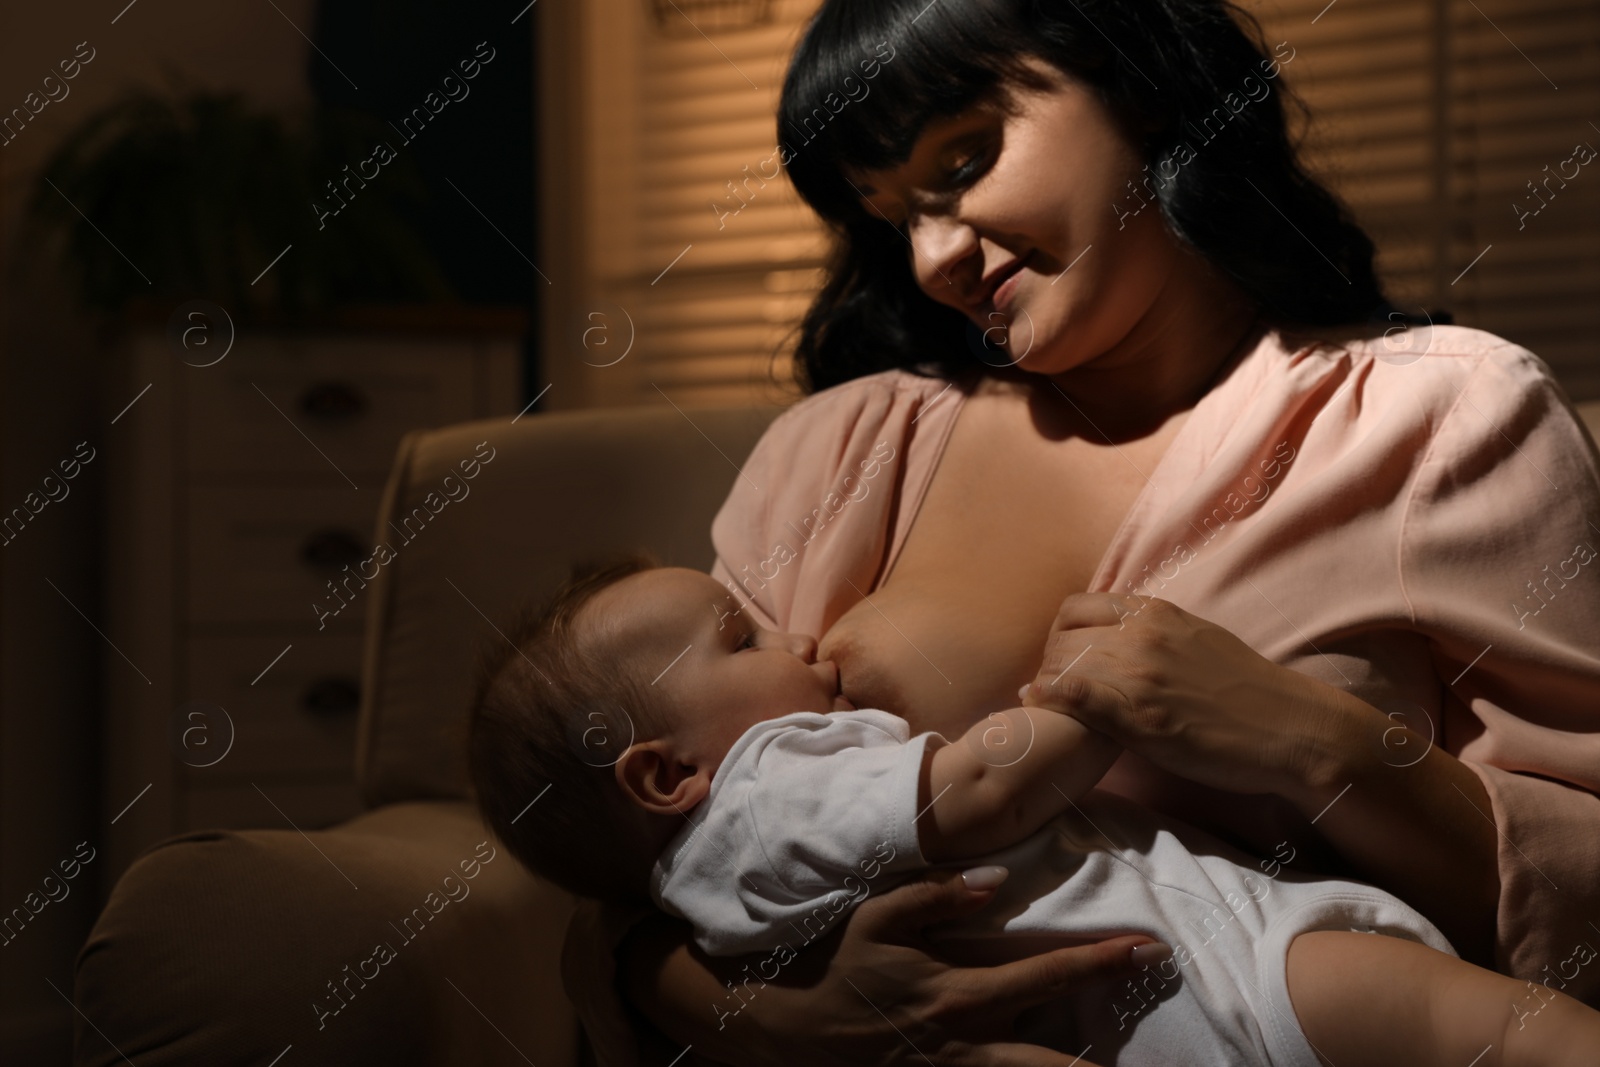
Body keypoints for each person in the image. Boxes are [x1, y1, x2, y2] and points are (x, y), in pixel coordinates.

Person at [561, 1, 1600, 1064]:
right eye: (891, 217)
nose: (931, 259)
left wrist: (1311, 740)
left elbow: (1581, 892)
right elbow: (654, 841)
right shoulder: (839, 448)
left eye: (965, 160)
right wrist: (773, 1015)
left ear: (1142, 90)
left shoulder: (1443, 415)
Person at [469, 559, 1600, 1067]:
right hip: (1226, 972)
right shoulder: (766, 787)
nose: (798, 636)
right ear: (666, 777)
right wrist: (1105, 694)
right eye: (742, 637)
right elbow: (979, 789)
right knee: (1508, 1035)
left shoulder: (713, 854)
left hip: (1145, 1009)